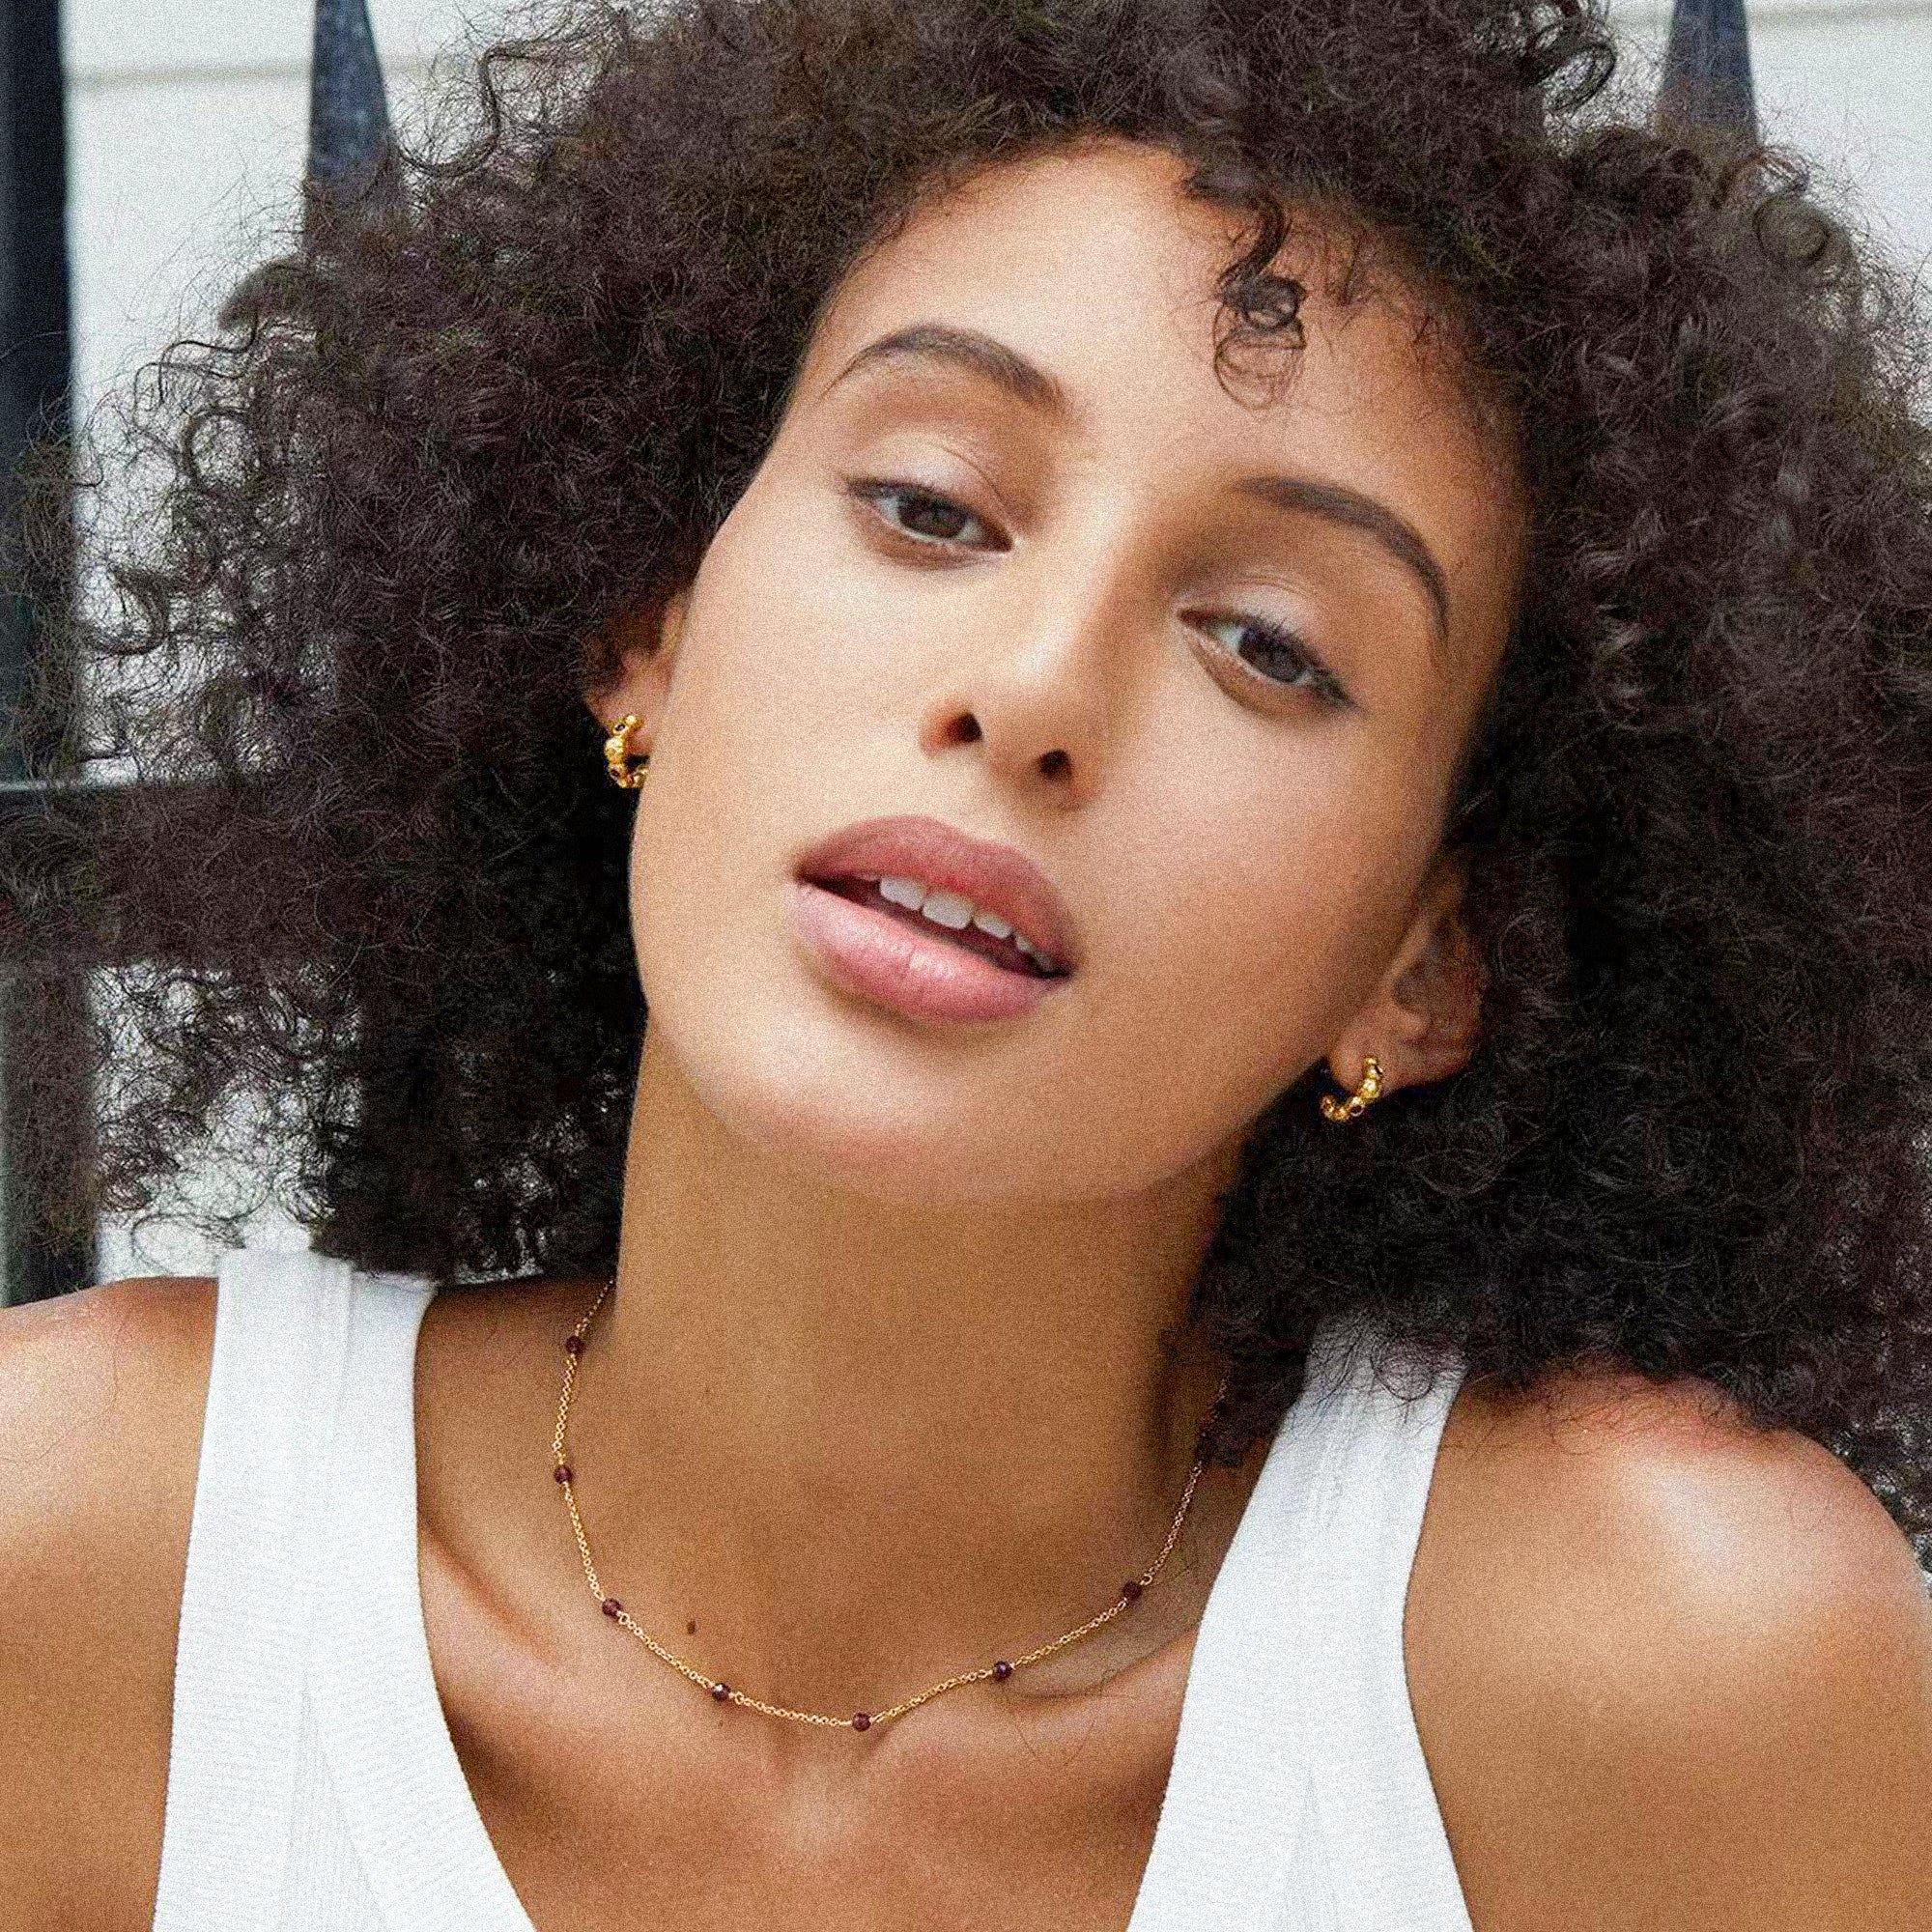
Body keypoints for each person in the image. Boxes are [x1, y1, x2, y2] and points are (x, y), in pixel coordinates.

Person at [2, 0, 1930, 1925]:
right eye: (929, 507)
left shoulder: (1659, 1676)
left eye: (1268, 644)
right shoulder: (80, 1560)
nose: (1032, 691)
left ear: (1431, 964)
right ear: (648, 627)